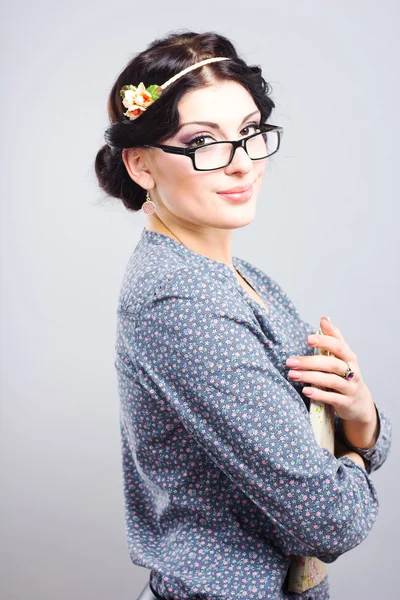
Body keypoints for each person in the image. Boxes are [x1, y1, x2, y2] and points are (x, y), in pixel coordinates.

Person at [94, 30, 392, 600]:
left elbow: (330, 442)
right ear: (141, 164)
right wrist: (358, 453)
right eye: (203, 141)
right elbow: (332, 520)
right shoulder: (180, 301)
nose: (242, 164)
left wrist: (362, 416)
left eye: (250, 133)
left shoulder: (244, 279)